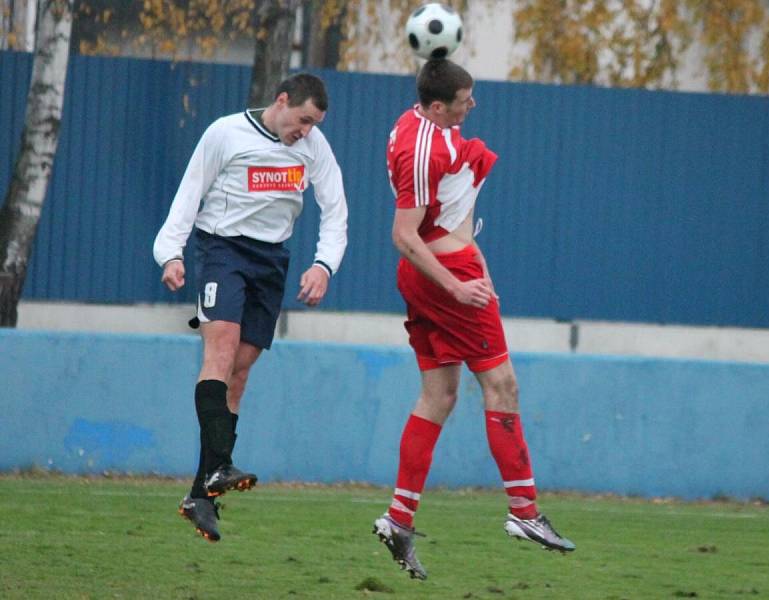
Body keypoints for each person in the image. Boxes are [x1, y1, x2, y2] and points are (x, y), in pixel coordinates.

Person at [372, 59, 575, 579]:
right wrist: (457, 283)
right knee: (502, 384)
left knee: (438, 396)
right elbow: (404, 235)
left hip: (445, 268)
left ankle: (399, 519)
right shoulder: (423, 148)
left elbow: (444, 212)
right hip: (443, 276)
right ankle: (524, 512)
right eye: (465, 98)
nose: (473, 105)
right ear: (438, 105)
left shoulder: (426, 125)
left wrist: (473, 253)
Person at [153, 73, 347, 543]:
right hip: (223, 251)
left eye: (313, 124)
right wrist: (170, 252)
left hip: (271, 262)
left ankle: (202, 493)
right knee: (220, 352)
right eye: (302, 120)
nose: (305, 131)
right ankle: (219, 466)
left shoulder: (314, 148)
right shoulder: (225, 133)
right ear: (281, 100)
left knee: (239, 371)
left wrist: (323, 265)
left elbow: (335, 210)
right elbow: (189, 193)